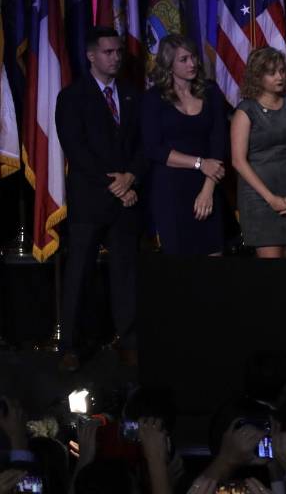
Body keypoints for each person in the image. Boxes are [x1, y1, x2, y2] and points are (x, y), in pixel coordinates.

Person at [54, 26, 145, 372]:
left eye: (119, 51)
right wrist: (115, 185)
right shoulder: (72, 96)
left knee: (125, 274)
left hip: (126, 200)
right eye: (108, 52)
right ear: (91, 55)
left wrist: (131, 178)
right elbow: (76, 149)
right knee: (79, 274)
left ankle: (129, 340)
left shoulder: (132, 94)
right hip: (92, 200)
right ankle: (70, 347)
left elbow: (142, 144)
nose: (116, 57)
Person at [142, 34, 228, 256]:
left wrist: (208, 188)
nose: (192, 64)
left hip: (209, 184)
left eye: (194, 58)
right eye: (183, 59)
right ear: (168, 64)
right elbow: (153, 148)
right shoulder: (153, 99)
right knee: (181, 268)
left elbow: (219, 142)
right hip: (171, 189)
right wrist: (200, 163)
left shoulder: (211, 92)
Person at [231, 47, 286, 259]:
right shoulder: (246, 110)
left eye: (282, 71)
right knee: (272, 270)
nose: (279, 77)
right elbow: (238, 161)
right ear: (257, 76)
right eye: (272, 73)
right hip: (258, 197)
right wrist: (270, 198)